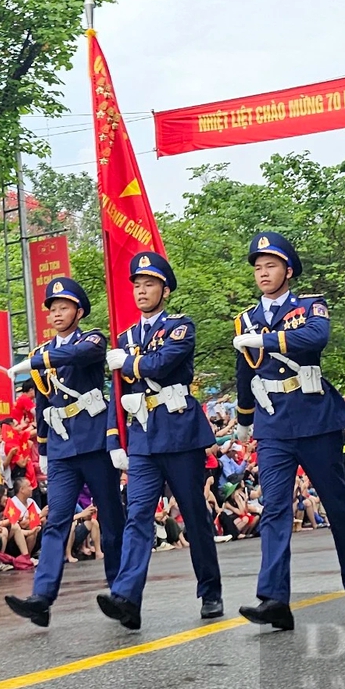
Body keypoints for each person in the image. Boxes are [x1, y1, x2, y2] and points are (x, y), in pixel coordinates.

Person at [230, 231, 345, 630]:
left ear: (288, 270)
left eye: (271, 266)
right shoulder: (245, 318)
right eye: (258, 267)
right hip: (272, 422)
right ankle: (274, 598)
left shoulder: (310, 306)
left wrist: (265, 338)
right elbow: (246, 369)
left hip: (313, 417)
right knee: (275, 507)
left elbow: (316, 337)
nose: (263, 273)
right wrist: (243, 417)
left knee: (338, 503)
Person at [97, 251, 223, 630]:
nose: (141, 291)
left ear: (164, 291)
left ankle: (210, 589)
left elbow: (160, 364)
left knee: (194, 514)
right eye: (136, 285)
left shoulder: (180, 327)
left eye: (149, 284)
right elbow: (116, 394)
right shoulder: (124, 336)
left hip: (180, 432)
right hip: (143, 436)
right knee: (137, 517)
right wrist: (114, 440)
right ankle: (127, 597)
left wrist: (128, 363)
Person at [2, 276, 125, 627]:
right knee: (55, 520)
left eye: (63, 308)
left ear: (78, 311)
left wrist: (38, 361)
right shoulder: (41, 354)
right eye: (52, 309)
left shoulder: (92, 339)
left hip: (93, 441)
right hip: (60, 447)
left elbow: (82, 354)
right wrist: (41, 447)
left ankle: (120, 591)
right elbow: (43, 402)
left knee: (110, 517)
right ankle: (42, 597)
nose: (56, 314)